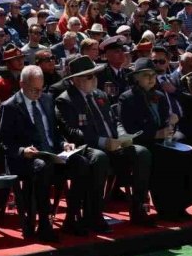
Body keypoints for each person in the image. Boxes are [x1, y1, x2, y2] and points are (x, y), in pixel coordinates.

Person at [55, 55, 152, 230]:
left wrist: (123, 136)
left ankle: (139, 209)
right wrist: (102, 142)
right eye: (90, 76)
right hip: (89, 149)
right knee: (99, 158)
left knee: (141, 152)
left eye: (95, 74)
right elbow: (72, 133)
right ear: (76, 80)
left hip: (115, 146)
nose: (95, 79)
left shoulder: (100, 95)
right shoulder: (66, 100)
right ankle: (94, 215)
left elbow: (115, 120)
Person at [0, 65, 93, 242]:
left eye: (41, 89)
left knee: (81, 163)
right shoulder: (10, 106)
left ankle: (72, 218)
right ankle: (44, 222)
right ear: (22, 84)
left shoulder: (47, 100)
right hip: (26, 159)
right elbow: (3, 141)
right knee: (42, 167)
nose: (38, 93)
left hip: (51, 153)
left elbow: (54, 132)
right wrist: (22, 151)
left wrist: (64, 144)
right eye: (34, 89)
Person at [118, 57, 192, 221]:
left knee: (188, 153)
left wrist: (171, 124)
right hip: (142, 142)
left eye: (153, 76)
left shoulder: (159, 96)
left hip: (161, 141)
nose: (151, 79)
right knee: (165, 158)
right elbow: (130, 129)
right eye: (146, 75)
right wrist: (155, 134)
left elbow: (164, 122)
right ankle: (166, 208)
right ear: (136, 78)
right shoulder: (127, 98)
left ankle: (181, 204)